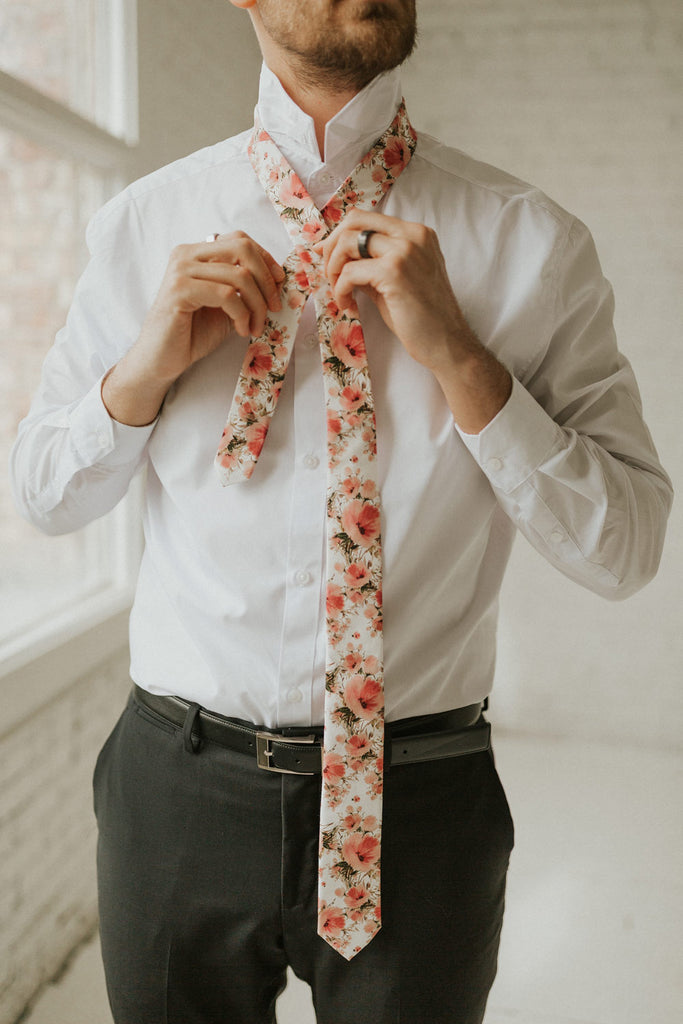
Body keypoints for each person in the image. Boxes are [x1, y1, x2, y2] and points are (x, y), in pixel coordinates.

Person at [10, 0, 673, 1021]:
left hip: (421, 805)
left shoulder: (529, 245)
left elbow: (623, 547)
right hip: (177, 793)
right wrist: (137, 374)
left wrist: (460, 356)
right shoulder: (145, 223)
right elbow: (47, 497)